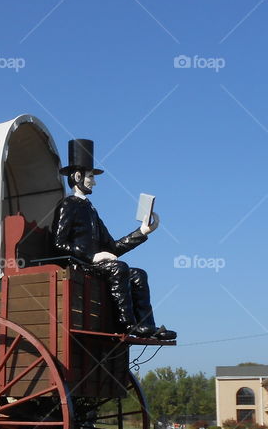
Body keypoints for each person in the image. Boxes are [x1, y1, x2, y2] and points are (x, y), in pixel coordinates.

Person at [51, 139, 176, 340]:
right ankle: (127, 325)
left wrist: (142, 232)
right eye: (91, 176)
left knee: (138, 274)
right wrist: (92, 257)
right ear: (77, 176)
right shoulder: (68, 205)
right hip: (79, 265)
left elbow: (112, 248)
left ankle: (146, 326)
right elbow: (58, 243)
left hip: (96, 266)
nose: (94, 181)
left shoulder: (91, 211)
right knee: (120, 268)